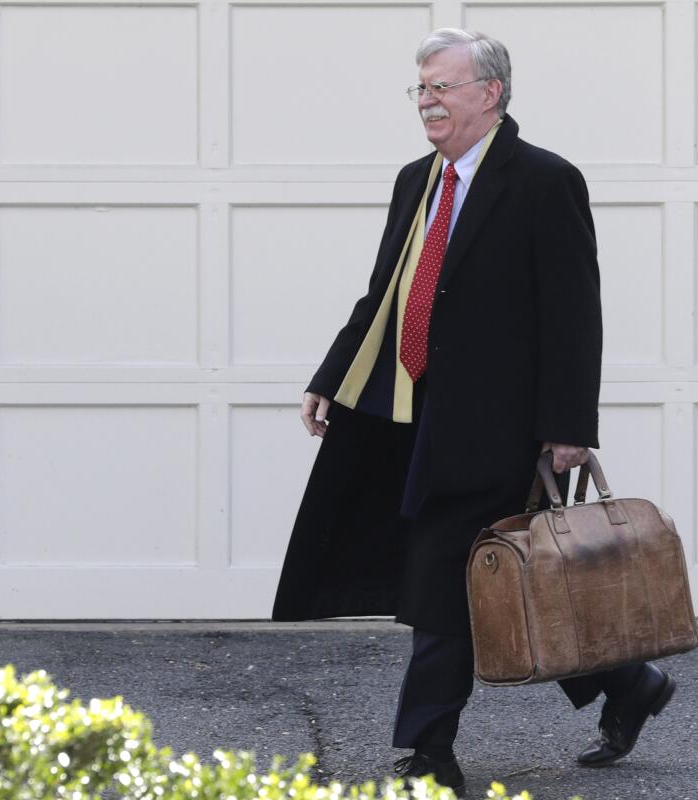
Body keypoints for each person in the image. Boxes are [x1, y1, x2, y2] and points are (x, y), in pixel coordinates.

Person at [271, 28, 675, 795]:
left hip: (501, 425)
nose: (427, 101)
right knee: (495, 583)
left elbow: (572, 311)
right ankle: (627, 683)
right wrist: (330, 377)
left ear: (489, 94)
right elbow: (384, 295)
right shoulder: (415, 180)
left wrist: (567, 426)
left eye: (442, 87)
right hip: (414, 417)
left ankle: (427, 750)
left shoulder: (542, 181)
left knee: (443, 577)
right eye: (420, 88)